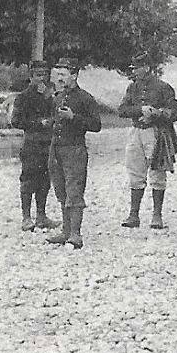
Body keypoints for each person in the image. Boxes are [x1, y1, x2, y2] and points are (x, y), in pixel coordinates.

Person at [117, 51, 177, 229]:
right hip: (136, 132)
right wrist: (140, 110)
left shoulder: (163, 87)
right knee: (135, 171)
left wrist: (156, 114)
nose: (135, 72)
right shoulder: (133, 88)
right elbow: (122, 110)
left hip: (155, 133)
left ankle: (156, 215)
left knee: (157, 173)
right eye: (134, 68)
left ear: (146, 68)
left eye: (137, 68)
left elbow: (176, 112)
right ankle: (134, 215)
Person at [44, 55, 103, 249]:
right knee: (60, 189)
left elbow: (96, 125)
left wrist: (73, 117)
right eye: (58, 74)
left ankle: (76, 234)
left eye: (63, 74)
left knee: (74, 191)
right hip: (56, 149)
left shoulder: (85, 98)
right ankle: (66, 231)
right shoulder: (57, 97)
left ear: (75, 75)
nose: (59, 78)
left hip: (74, 150)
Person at [9, 59, 59, 232]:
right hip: (31, 142)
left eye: (45, 75)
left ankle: (41, 216)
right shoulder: (23, 97)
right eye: (38, 75)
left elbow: (57, 113)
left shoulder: (51, 96)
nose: (42, 79)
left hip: (48, 142)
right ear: (31, 77)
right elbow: (15, 121)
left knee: (45, 179)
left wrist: (51, 103)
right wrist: (38, 123)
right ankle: (26, 217)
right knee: (28, 179)